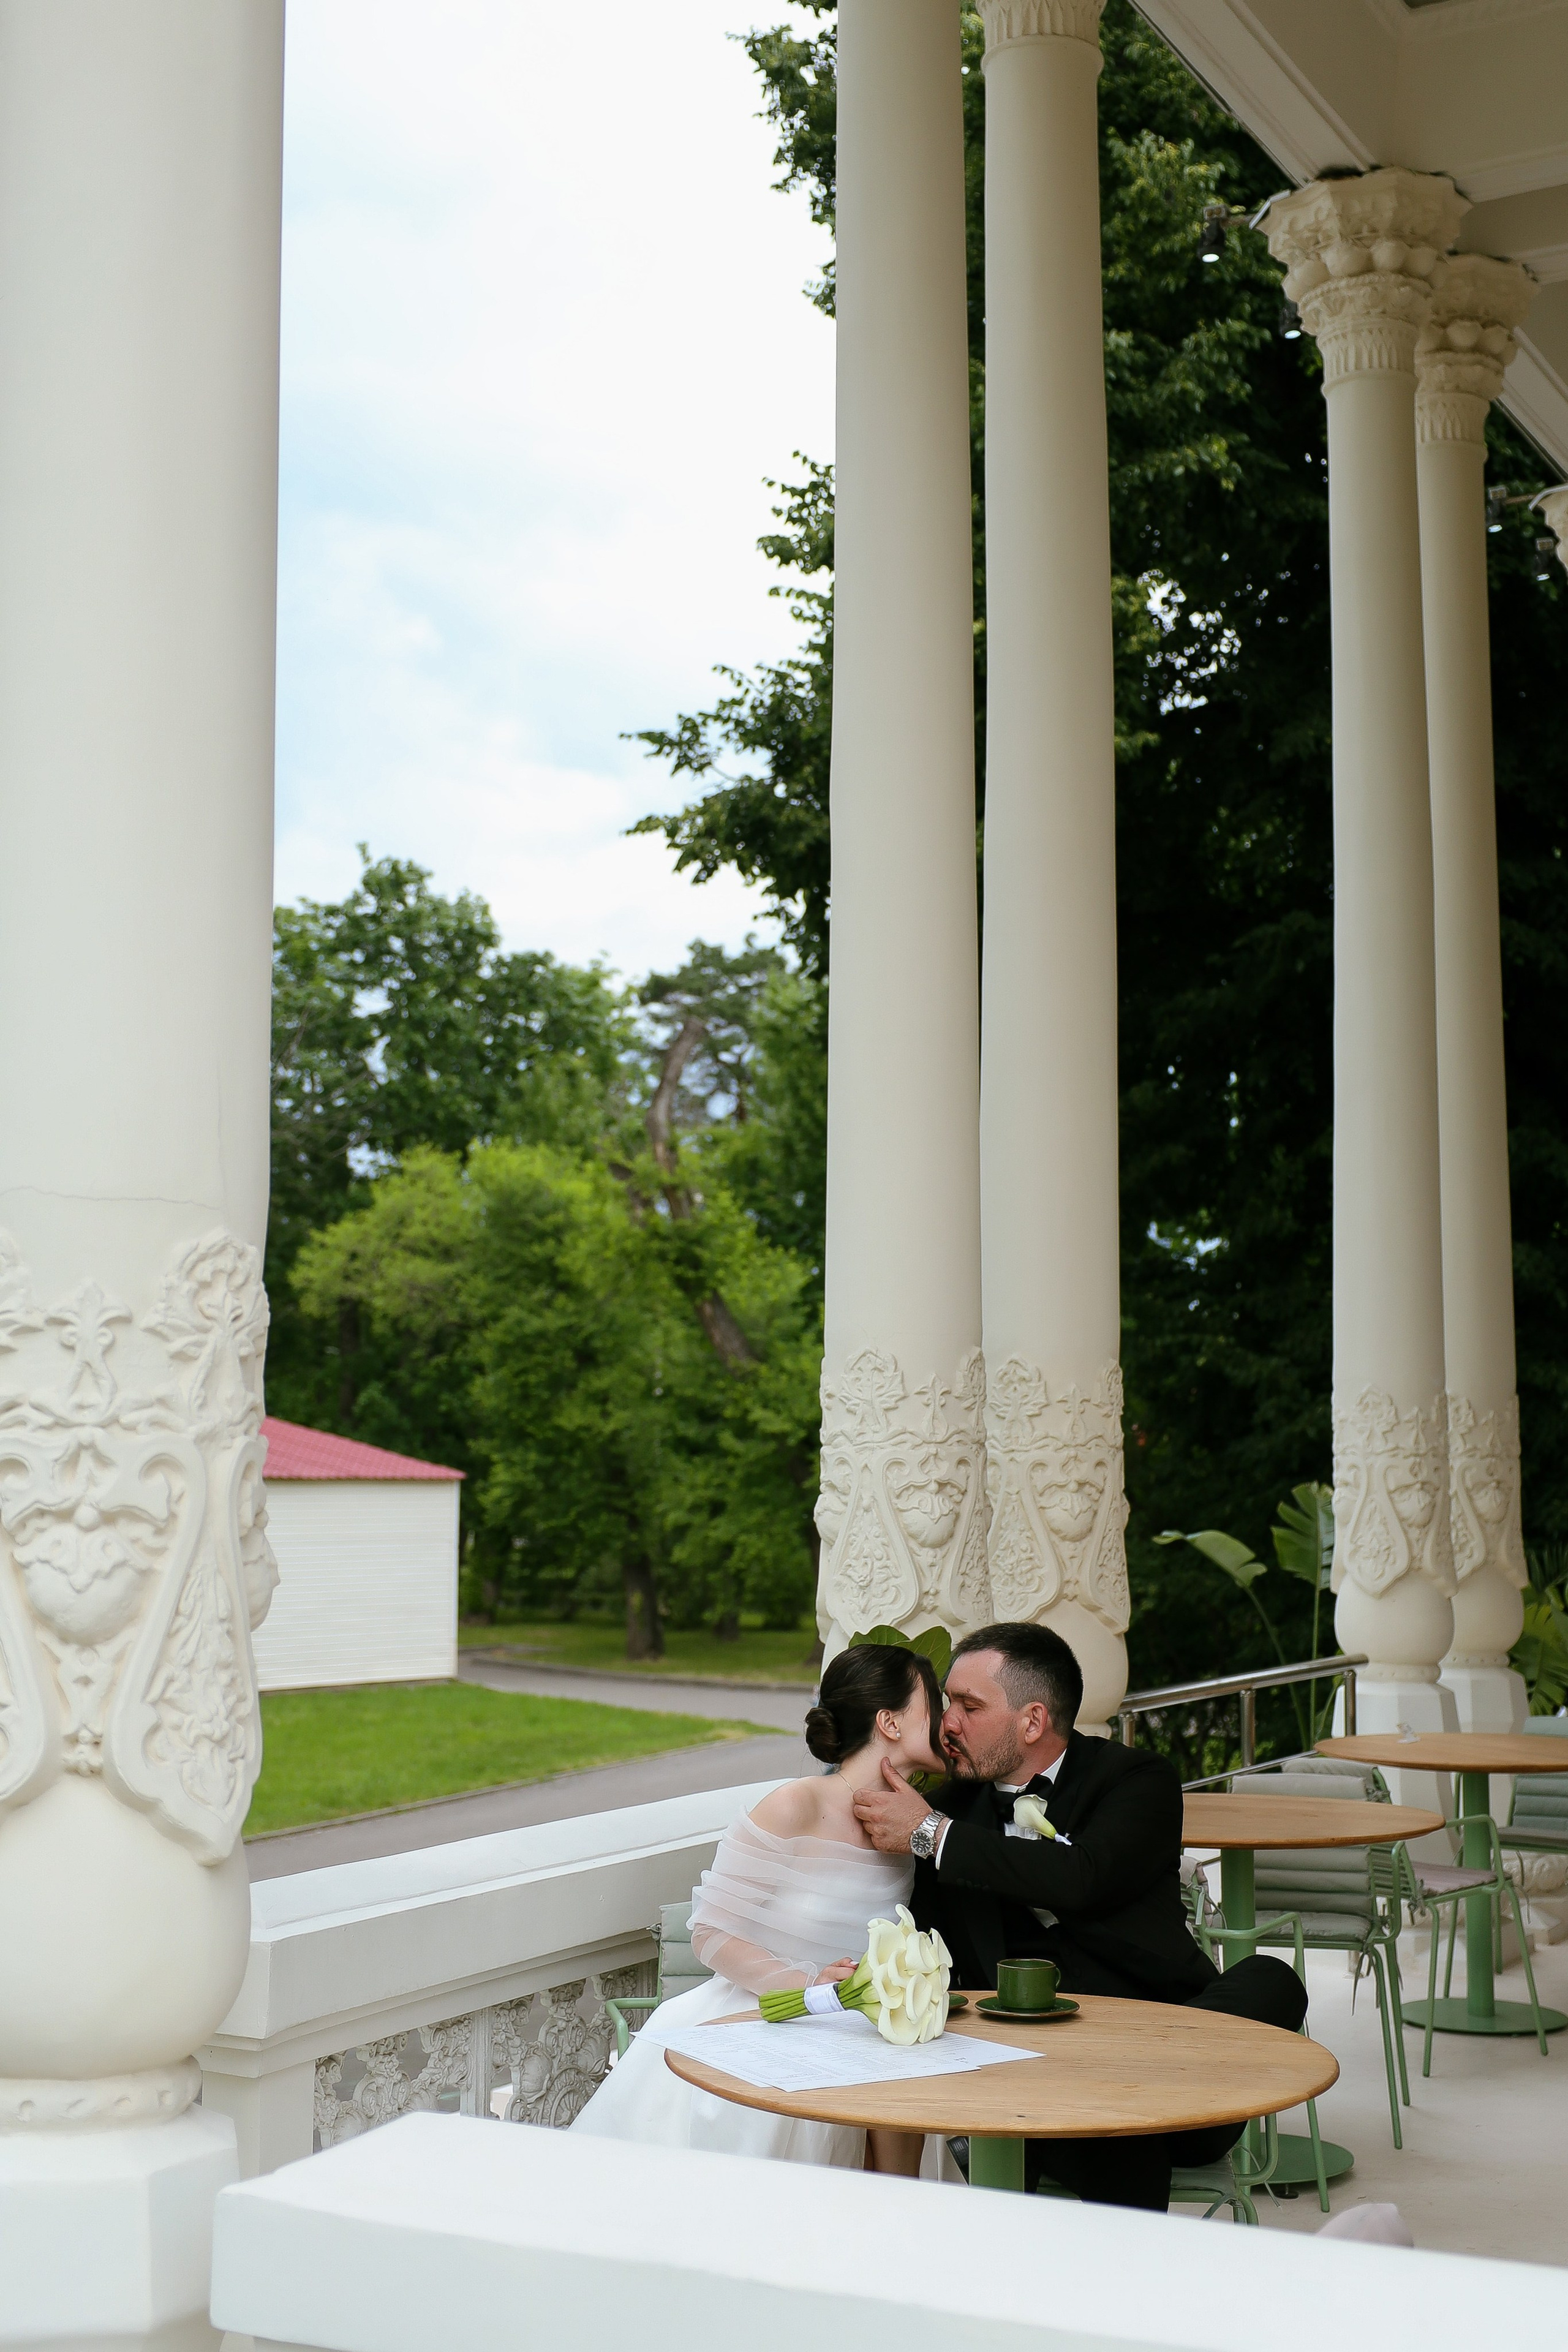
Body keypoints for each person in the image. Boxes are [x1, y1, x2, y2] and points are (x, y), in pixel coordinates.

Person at [851, 1619, 1310, 2211]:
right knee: (1113, 2136)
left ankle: (1129, 2090)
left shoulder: (1135, 1781)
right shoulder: (944, 1813)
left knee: (1272, 1979)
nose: (949, 1724)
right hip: (1042, 2076)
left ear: (1033, 1721)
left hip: (1182, 2067)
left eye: (968, 1706)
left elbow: (1084, 1879)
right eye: (947, 1706)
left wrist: (935, 1836)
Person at [571, 1642, 946, 2177]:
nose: (947, 1716)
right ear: (889, 1722)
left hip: (863, 2033)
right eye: (933, 1701)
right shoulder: (797, 1803)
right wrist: (814, 1986)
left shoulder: (914, 1821)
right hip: (764, 2019)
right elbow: (711, 1931)